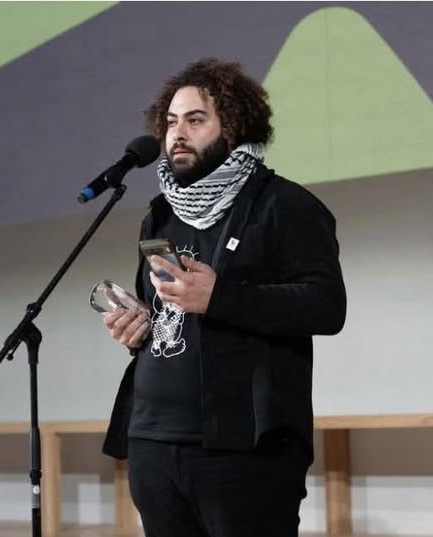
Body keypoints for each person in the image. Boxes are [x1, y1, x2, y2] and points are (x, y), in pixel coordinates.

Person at [101, 58, 347, 537]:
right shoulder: (160, 215)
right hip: (153, 439)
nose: (177, 134)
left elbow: (326, 306)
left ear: (234, 127)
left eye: (195, 120)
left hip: (243, 447)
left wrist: (222, 297)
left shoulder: (284, 204)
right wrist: (139, 329)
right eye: (171, 122)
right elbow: (169, 310)